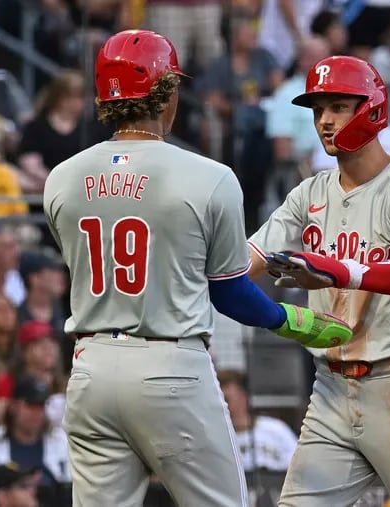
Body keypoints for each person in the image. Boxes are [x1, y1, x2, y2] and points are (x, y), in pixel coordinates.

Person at [42, 30, 352, 507]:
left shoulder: (60, 177)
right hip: (171, 365)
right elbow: (228, 291)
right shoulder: (209, 176)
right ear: (167, 92)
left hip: (90, 366)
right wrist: (296, 321)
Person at [249, 55, 390, 506]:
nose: (325, 121)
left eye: (337, 106)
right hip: (331, 386)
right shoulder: (310, 192)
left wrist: (345, 272)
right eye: (318, 110)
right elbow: (243, 261)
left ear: (370, 108)